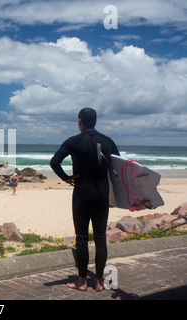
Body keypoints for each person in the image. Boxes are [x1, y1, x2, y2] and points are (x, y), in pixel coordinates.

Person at [50, 108, 119, 292]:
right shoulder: (108, 141)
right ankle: (98, 282)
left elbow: (54, 162)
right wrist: (114, 194)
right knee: (100, 238)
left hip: (82, 192)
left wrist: (66, 178)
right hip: (102, 193)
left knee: (81, 238)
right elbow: (118, 168)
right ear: (95, 121)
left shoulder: (73, 141)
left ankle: (81, 282)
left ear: (79, 121)